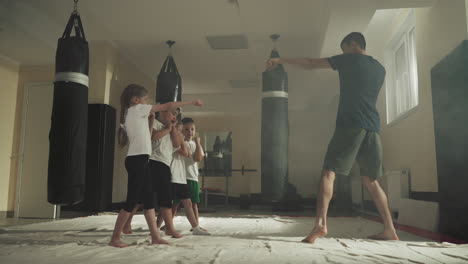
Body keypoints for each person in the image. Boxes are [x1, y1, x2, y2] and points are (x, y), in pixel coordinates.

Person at [267, 32, 399, 243]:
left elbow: (310, 63)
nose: (342, 53)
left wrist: (280, 60)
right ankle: (390, 229)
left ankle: (321, 225)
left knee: (328, 173)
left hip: (351, 124)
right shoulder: (379, 68)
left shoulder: (349, 58)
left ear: (353, 45)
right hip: (373, 128)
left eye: (344, 48)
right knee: (372, 181)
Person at [109, 83, 203, 248]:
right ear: (136, 100)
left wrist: (152, 120)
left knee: (149, 201)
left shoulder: (134, 113)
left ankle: (155, 236)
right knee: (131, 200)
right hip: (137, 160)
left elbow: (146, 135)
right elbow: (167, 105)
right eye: (145, 99)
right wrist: (191, 102)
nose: (147, 102)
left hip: (141, 160)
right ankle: (115, 238)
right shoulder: (136, 109)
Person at [159, 120, 210, 235]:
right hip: (179, 177)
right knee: (173, 204)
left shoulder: (194, 144)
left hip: (190, 177)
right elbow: (187, 154)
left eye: (192, 129)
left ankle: (195, 226)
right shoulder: (177, 142)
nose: (190, 132)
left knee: (192, 203)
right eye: (186, 129)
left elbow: (198, 158)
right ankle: (166, 225)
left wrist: (197, 143)